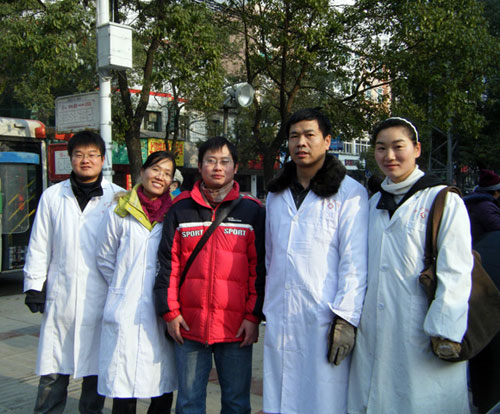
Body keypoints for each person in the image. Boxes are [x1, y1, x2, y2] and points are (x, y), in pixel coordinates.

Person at [347, 117, 473, 414]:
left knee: (421, 401)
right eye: (381, 148)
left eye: (398, 147)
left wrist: (444, 330)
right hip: (376, 329)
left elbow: (456, 270)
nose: (389, 156)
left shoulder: (442, 200)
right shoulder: (373, 203)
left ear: (416, 149)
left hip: (423, 330)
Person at [263, 107, 369, 414]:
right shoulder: (276, 194)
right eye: (294, 136)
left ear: (327, 141)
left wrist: (345, 318)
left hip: (325, 316)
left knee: (323, 399)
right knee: (282, 397)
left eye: (310, 135)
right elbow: (271, 256)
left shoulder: (350, 193)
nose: (301, 143)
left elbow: (354, 263)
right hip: (282, 313)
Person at [154, 137, 265, 414]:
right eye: (211, 161)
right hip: (189, 325)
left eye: (225, 161)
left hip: (236, 328)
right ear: (200, 166)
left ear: (235, 167)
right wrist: (170, 313)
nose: (218, 167)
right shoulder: (180, 209)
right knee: (189, 403)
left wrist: (253, 317)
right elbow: (168, 264)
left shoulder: (251, 211)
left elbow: (259, 269)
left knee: (237, 404)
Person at [23, 131, 122, 414]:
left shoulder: (118, 198)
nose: (85, 160)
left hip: (101, 298)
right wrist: (34, 286)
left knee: (95, 373)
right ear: (70, 159)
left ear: (102, 159)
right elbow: (39, 243)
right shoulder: (53, 196)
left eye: (92, 155)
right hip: (61, 298)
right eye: (79, 155)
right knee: (53, 370)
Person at [96, 151, 178, 414]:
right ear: (142, 172)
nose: (160, 176)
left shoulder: (175, 214)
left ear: (171, 182)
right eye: (156, 169)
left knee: (162, 386)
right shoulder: (120, 210)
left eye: (167, 173)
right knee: (124, 386)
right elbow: (105, 258)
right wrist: (124, 288)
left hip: (160, 308)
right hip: (126, 307)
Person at [463, 169, 500, 244]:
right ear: (496, 192)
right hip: (482, 246)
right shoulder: (486, 207)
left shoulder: (475, 201)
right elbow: (497, 227)